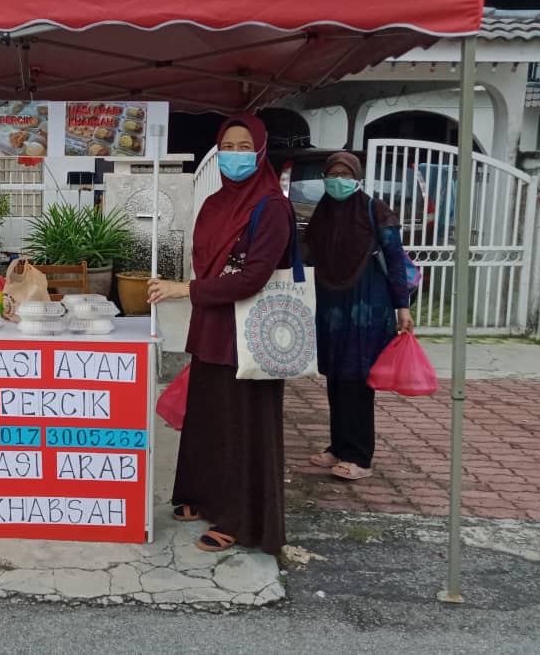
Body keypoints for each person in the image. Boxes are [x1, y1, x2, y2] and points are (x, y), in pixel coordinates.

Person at [148, 114, 293, 555]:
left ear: (261, 150)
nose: (234, 155)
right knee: (208, 419)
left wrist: (183, 289)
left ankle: (239, 518)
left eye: (244, 146)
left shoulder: (272, 207)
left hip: (250, 332)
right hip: (212, 326)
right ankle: (201, 495)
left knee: (241, 427)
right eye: (227, 146)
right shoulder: (213, 202)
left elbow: (252, 278)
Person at [305, 152, 414, 481]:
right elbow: (307, 253)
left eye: (344, 173)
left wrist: (403, 307)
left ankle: (360, 456)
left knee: (358, 380)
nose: (338, 179)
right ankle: (338, 446)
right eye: (332, 173)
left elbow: (396, 261)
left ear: (357, 177)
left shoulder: (375, 210)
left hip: (367, 308)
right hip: (331, 308)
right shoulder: (322, 213)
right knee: (336, 379)